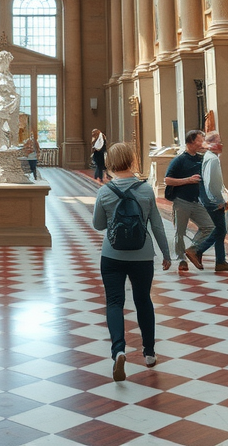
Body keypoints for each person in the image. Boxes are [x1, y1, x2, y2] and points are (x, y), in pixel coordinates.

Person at [92, 142, 171, 382]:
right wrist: (166, 254)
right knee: (143, 300)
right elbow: (156, 224)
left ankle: (118, 351)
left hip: (112, 255)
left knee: (115, 302)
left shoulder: (105, 192)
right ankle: (148, 353)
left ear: (110, 163)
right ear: (132, 160)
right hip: (142, 255)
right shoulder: (146, 190)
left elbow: (98, 225)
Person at [163, 129, 217, 272]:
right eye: (199, 140)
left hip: (196, 201)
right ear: (191, 142)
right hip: (181, 202)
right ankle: (182, 260)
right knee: (179, 232)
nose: (202, 143)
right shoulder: (179, 160)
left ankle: (193, 249)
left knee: (210, 227)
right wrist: (188, 180)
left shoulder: (201, 158)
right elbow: (167, 180)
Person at [199, 132, 228, 273]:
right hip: (214, 201)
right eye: (219, 141)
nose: (221, 144)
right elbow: (212, 183)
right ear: (212, 144)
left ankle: (220, 260)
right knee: (220, 229)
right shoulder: (213, 159)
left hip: (212, 200)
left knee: (221, 230)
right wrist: (219, 201)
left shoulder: (211, 157)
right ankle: (197, 250)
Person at [0, 50, 20, 150]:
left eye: (8, 62)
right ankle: (1, 143)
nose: (7, 65)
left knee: (13, 124)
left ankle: (13, 143)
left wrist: (16, 98)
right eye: (5, 62)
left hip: (12, 101)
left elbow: (13, 90)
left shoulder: (10, 76)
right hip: (1, 101)